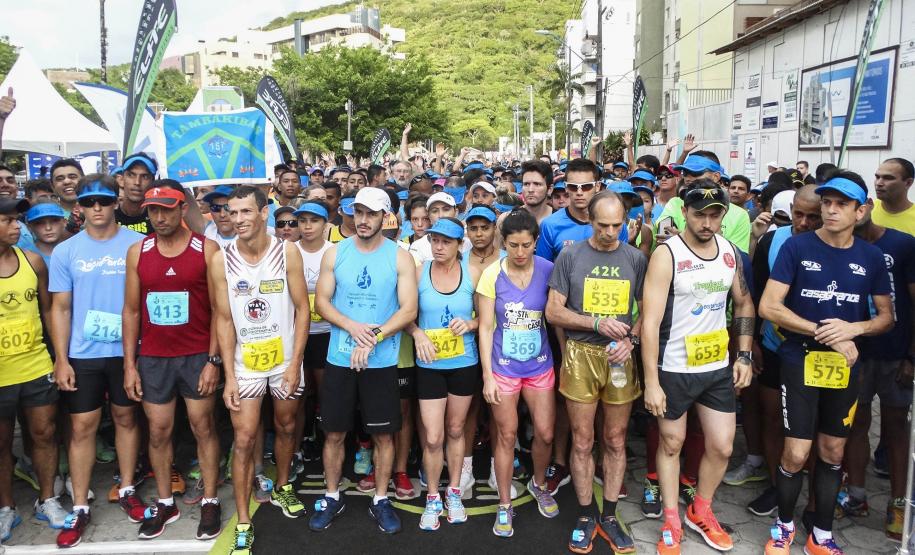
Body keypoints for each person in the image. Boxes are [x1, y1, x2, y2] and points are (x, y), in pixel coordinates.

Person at [760, 173, 894, 555]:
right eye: (827, 203)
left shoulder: (869, 257)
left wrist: (854, 329)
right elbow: (770, 306)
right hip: (800, 359)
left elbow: (886, 317)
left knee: (833, 451)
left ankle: (821, 534)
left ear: (860, 211)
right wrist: (826, 332)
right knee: (797, 453)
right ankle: (783, 527)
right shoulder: (797, 247)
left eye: (841, 204)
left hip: (846, 365)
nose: (831, 210)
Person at [641, 181, 755, 555]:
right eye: (699, 214)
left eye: (715, 215)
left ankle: (701, 509)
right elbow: (650, 322)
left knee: (721, 446)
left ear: (725, 214)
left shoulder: (731, 254)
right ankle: (671, 517)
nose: (707, 223)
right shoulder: (666, 254)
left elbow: (744, 303)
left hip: (716, 366)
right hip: (673, 366)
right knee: (672, 443)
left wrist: (743, 354)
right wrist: (652, 382)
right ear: (684, 213)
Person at [310, 187, 418, 535]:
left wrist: (372, 336)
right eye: (358, 212)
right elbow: (323, 303)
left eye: (371, 213)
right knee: (334, 432)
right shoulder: (334, 253)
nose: (363, 220)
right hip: (341, 357)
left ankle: (381, 499)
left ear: (385, 216)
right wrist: (353, 327)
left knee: (385, 435)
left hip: (382, 360)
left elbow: (409, 310)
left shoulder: (399, 257)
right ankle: (331, 495)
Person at [209, 186, 310, 554]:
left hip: (284, 360)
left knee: (285, 426)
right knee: (245, 439)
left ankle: (283, 485)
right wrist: (229, 376)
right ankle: (244, 521)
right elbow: (222, 318)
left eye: (245, 212)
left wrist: (295, 364)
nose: (237, 220)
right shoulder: (221, 259)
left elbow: (303, 310)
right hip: (245, 364)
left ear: (264, 212)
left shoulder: (288, 252)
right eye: (231, 213)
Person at [546, 191, 646, 554]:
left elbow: (645, 311)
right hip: (581, 353)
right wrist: (597, 322)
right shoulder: (570, 255)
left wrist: (631, 340)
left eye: (617, 225)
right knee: (583, 439)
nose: (610, 232)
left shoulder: (635, 257)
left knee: (616, 439)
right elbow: (553, 311)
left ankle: (610, 515)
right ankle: (586, 513)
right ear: (589, 220)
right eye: (602, 225)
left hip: (620, 357)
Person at [121, 182, 222, 541]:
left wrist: (214, 360)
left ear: (182, 209)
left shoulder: (206, 250)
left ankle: (209, 498)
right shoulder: (139, 251)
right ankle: (166, 501)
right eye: (153, 210)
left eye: (166, 209)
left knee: (202, 425)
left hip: (195, 355)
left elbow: (219, 311)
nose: (159, 217)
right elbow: (131, 310)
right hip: (154, 358)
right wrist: (129, 364)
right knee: (159, 430)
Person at [49, 176, 146, 548]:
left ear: (115, 202)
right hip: (83, 353)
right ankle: (79, 505)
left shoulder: (137, 244)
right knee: (82, 427)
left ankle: (126, 488)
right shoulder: (66, 251)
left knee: (125, 418)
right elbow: (60, 307)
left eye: (104, 201)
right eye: (90, 202)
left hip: (127, 351)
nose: (98, 209)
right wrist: (61, 359)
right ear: (80, 206)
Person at [739, 185, 822, 517]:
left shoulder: (848, 246)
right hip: (774, 346)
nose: (803, 222)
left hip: (822, 353)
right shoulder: (773, 241)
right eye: (797, 214)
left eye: (812, 217)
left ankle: (818, 501)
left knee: (817, 428)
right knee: (773, 418)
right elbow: (755, 297)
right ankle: (777, 486)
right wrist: (754, 343)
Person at [838, 193, 915, 541]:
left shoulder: (903, 245)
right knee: (856, 424)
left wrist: (912, 356)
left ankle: (899, 503)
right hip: (855, 354)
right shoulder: (843, 247)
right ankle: (856, 495)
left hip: (896, 354)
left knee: (896, 429)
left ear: (864, 207)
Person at [477, 209, 558, 538]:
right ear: (503, 243)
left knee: (546, 433)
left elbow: (557, 316)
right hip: (504, 368)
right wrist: (487, 376)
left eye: (527, 245)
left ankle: (539, 484)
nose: (521, 252)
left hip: (540, 366)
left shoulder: (549, 270)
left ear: (536, 242)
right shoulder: (491, 274)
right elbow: (484, 328)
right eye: (513, 246)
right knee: (507, 435)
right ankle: (505, 502)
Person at [0, 197, 68, 538]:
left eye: (18, 220)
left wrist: (59, 357)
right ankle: (6, 507)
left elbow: (47, 311)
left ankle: (47, 499)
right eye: (8, 220)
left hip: (35, 365)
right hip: (1, 374)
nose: (18, 227)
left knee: (45, 434)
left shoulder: (33, 261)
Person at [410, 217, 480, 530]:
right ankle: (433, 495)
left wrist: (470, 324)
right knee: (434, 436)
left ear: (459, 245)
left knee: (455, 429)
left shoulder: (472, 273)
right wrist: (417, 333)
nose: (438, 247)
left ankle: (454, 491)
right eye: (434, 241)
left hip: (463, 363)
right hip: (429, 366)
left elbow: (486, 317)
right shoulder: (419, 271)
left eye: (446, 242)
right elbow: (404, 314)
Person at [293, 201, 333, 463]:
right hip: (296, 333)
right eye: (302, 220)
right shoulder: (289, 251)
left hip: (327, 332)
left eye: (314, 220)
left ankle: (329, 444)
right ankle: (296, 448)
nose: (307, 226)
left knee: (326, 393)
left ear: (325, 225)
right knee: (297, 395)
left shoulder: (335, 252)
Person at [654, 154, 751, 253]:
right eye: (686, 173)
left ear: (716, 176)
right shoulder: (675, 203)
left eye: (696, 173)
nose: (688, 178)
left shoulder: (740, 215)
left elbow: (740, 259)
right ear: (684, 211)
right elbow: (664, 237)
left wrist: (684, 240)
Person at [409, 192, 472, 265]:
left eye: (446, 209)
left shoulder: (469, 244)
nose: (441, 215)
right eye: (435, 211)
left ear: (456, 212)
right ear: (429, 216)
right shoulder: (417, 246)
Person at [115, 154, 157, 235]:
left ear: (153, 182)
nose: (137, 182)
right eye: (131, 175)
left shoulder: (159, 215)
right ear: (121, 180)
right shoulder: (109, 213)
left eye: (145, 176)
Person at [872, 157, 915, 236]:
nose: (879, 183)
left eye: (888, 178)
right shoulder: (866, 211)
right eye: (877, 177)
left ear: (908, 183)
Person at [23, 200, 67, 266]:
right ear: (29, 227)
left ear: (64, 222)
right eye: (39, 223)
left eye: (54, 221)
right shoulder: (24, 256)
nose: (48, 228)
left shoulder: (77, 250)